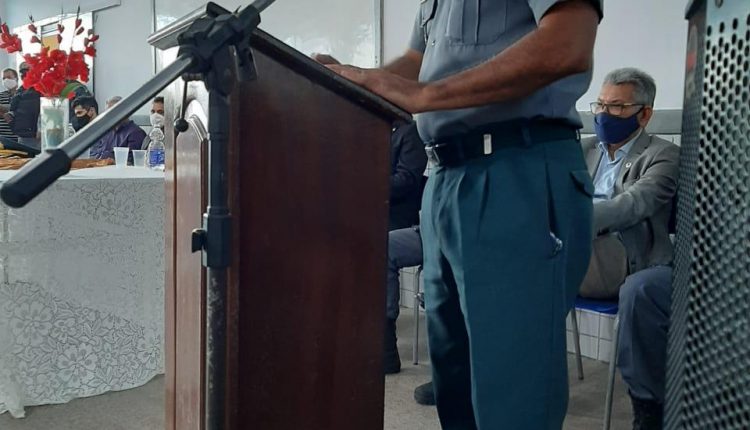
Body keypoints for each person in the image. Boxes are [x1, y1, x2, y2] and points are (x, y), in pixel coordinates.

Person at [318, 1, 602, 428]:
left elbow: (567, 44)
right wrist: (352, 81)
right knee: (456, 380)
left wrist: (427, 96)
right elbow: (415, 63)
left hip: (514, 169)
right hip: (444, 176)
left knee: (511, 389)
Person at [582, 68, 679, 430]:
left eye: (618, 107)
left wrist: (571, 221)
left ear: (645, 114)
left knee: (640, 292)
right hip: (577, 253)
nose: (604, 114)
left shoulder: (664, 155)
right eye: (600, 105)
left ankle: (648, 410)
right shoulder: (581, 150)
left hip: (627, 257)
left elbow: (635, 204)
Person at [388, 121, 427, 231]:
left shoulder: (409, 130)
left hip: (394, 217)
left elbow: (407, 179)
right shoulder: (370, 128)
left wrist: (367, 186)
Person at [90, 96, 147, 160]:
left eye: (113, 112)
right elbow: (94, 153)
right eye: (107, 113)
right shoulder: (106, 132)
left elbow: (131, 159)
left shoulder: (136, 133)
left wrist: (108, 156)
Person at [3, 62, 41, 152]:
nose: (24, 74)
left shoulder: (41, 89)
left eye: (27, 71)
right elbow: (14, 110)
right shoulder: (20, 91)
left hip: (36, 136)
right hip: (22, 135)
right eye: (22, 72)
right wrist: (11, 121)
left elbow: (45, 110)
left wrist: (41, 128)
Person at [0, 68, 20, 141]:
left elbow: (22, 111)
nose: (6, 80)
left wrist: (2, 108)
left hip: (19, 138)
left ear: (16, 78)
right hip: (2, 138)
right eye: (4, 78)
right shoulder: (1, 95)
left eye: (9, 77)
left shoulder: (23, 95)